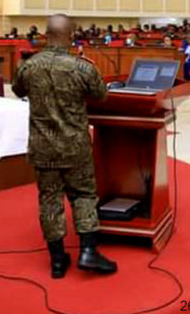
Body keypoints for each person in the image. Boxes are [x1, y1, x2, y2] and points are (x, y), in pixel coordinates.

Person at [12, 14, 116, 279]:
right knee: (83, 195)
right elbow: (101, 95)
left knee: (49, 199)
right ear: (71, 36)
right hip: (75, 146)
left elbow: (18, 90)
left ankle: (57, 260)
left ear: (46, 34)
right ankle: (88, 251)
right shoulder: (82, 68)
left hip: (42, 147)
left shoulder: (29, 66)